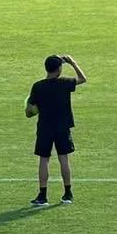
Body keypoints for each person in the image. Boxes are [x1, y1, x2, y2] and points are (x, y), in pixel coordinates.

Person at [25, 54, 86, 207]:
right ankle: (67, 193)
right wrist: (72, 62)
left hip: (45, 127)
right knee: (63, 159)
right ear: (59, 69)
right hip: (62, 127)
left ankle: (42, 195)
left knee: (43, 160)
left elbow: (29, 111)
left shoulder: (38, 86)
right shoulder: (64, 83)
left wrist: (35, 109)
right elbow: (82, 79)